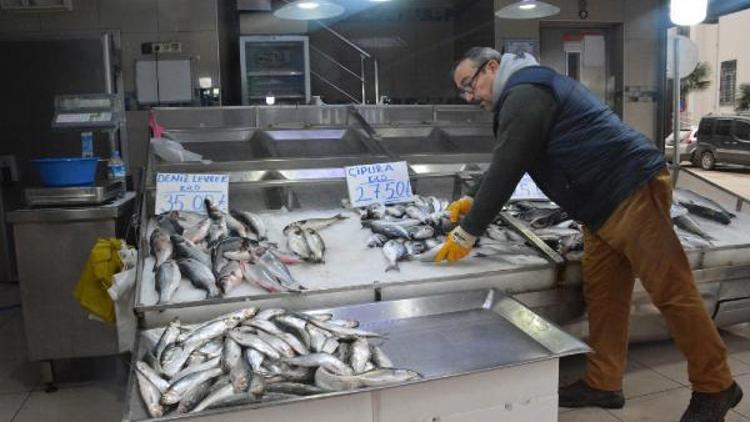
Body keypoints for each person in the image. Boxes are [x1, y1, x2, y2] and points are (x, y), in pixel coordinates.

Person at [437, 46, 742, 421]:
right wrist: (471, 198)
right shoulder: (524, 92)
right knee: (604, 294)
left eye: (471, 85)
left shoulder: (525, 92)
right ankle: (604, 383)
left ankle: (717, 385)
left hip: (629, 188)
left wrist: (469, 231)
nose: (471, 97)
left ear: (493, 67)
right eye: (464, 91)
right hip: (599, 205)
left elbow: (508, 166)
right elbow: (514, 154)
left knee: (672, 290)